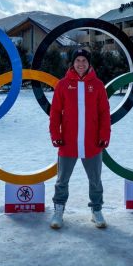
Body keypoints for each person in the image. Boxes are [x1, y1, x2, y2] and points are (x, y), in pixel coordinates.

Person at [49, 49, 111, 229]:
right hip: (68, 142)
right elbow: (55, 113)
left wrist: (104, 135)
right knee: (62, 180)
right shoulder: (63, 84)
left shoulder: (98, 85)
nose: (81, 63)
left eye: (84, 60)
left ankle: (96, 210)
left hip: (92, 142)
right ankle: (59, 210)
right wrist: (56, 135)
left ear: (89, 63)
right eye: (78, 60)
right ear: (72, 63)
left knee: (95, 180)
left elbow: (104, 113)